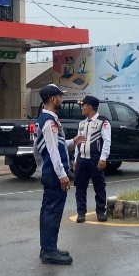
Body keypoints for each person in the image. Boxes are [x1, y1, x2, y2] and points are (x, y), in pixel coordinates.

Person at [34, 84, 85, 264]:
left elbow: (58, 144)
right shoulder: (49, 121)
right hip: (54, 174)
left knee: (48, 212)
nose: (61, 99)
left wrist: (73, 141)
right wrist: (62, 174)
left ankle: (48, 248)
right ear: (53, 99)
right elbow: (52, 150)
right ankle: (49, 251)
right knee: (52, 213)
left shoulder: (47, 119)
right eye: (60, 96)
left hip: (50, 172)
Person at [73, 95, 111, 223]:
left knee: (99, 186)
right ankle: (81, 212)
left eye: (83, 106)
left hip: (95, 159)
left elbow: (107, 141)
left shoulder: (103, 122)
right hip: (82, 159)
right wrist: (75, 159)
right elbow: (78, 141)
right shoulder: (82, 123)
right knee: (80, 186)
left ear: (90, 107)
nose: (81, 108)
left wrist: (103, 158)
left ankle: (100, 211)